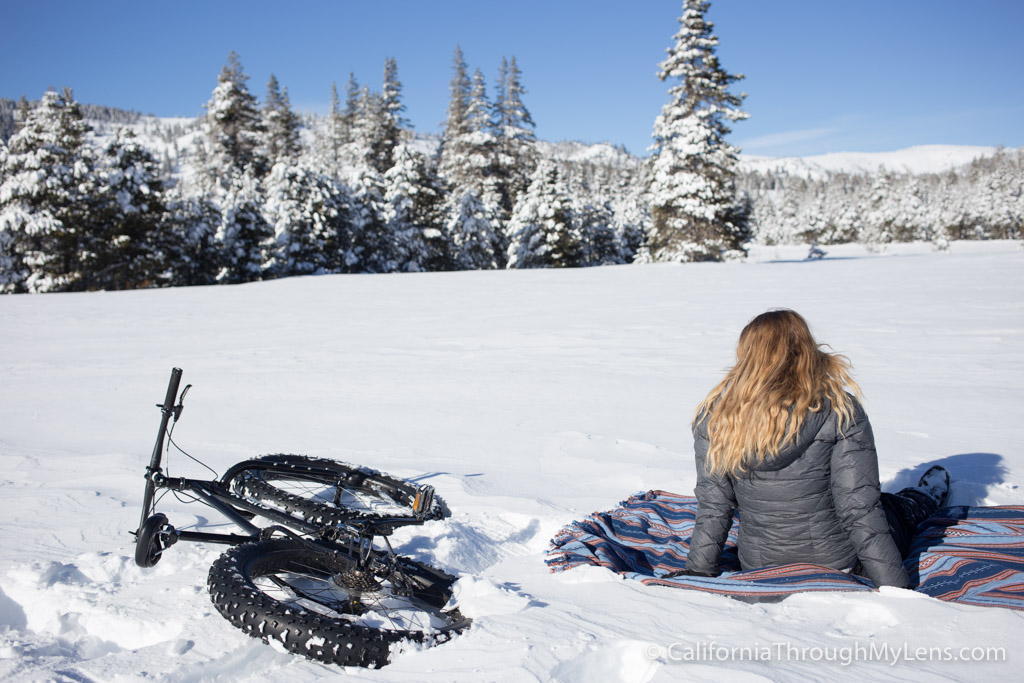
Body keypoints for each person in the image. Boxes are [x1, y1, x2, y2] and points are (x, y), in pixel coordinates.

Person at [680, 309, 949, 588]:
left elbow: (715, 505)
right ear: (805, 349)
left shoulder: (717, 416)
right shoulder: (838, 409)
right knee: (892, 510)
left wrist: (699, 571)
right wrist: (895, 588)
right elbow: (858, 506)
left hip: (758, 566)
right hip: (838, 565)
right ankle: (921, 500)